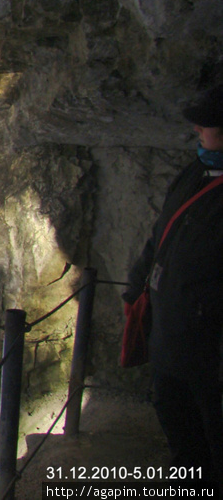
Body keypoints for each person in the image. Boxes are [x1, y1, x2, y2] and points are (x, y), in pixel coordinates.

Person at [123, 83, 223, 489]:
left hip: (210, 355)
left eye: (207, 124)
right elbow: (161, 234)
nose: (197, 129)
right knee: (182, 434)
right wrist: (136, 285)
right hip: (172, 340)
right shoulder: (196, 173)